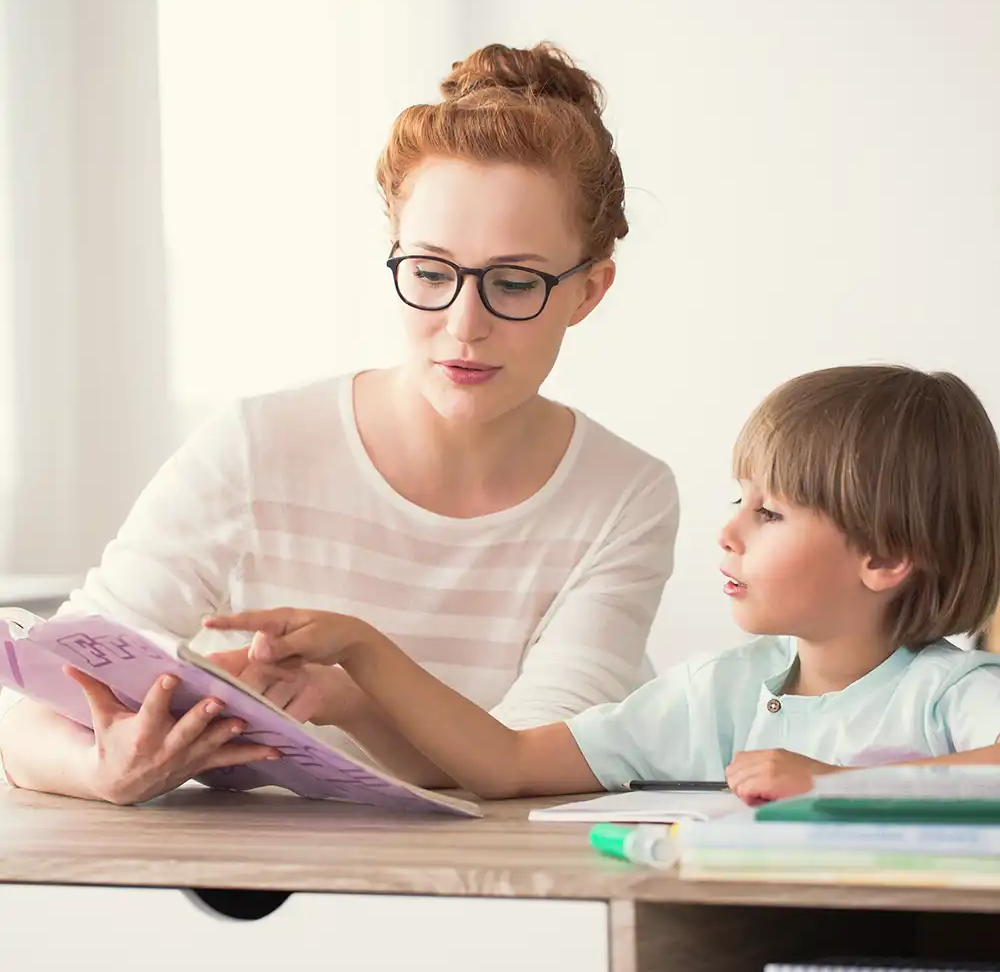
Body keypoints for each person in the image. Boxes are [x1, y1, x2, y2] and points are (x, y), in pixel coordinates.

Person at [0, 42, 679, 805]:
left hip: (490, 902)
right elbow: (34, 710)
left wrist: (353, 693)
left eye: (515, 282)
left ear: (588, 292)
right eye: (429, 272)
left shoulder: (624, 496)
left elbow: (532, 765)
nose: (464, 324)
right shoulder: (256, 447)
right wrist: (105, 769)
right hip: (241, 889)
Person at [206, 365, 1000, 806]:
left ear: (887, 558)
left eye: (772, 513)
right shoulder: (717, 695)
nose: (727, 531)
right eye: (738, 500)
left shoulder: (947, 692)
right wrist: (360, 655)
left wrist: (839, 785)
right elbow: (507, 763)